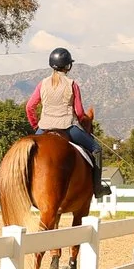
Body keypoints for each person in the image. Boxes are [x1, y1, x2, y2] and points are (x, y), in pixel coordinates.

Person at [25, 47, 106, 197]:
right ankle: (97, 188)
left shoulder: (42, 84)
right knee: (97, 149)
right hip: (67, 127)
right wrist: (81, 123)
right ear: (68, 66)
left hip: (44, 127)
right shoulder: (72, 84)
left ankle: (24, 188)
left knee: (28, 152)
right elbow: (80, 112)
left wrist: (36, 125)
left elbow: (30, 106)